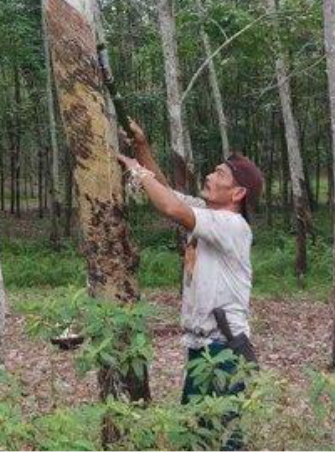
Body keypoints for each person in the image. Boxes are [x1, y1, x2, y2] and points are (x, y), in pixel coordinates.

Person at [116, 120, 263, 447]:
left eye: (220, 175)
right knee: (194, 436)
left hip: (224, 349)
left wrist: (136, 170)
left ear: (238, 193)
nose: (210, 177)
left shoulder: (232, 226)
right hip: (202, 346)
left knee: (221, 439)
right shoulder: (206, 214)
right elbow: (169, 194)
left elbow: (168, 206)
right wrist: (142, 147)